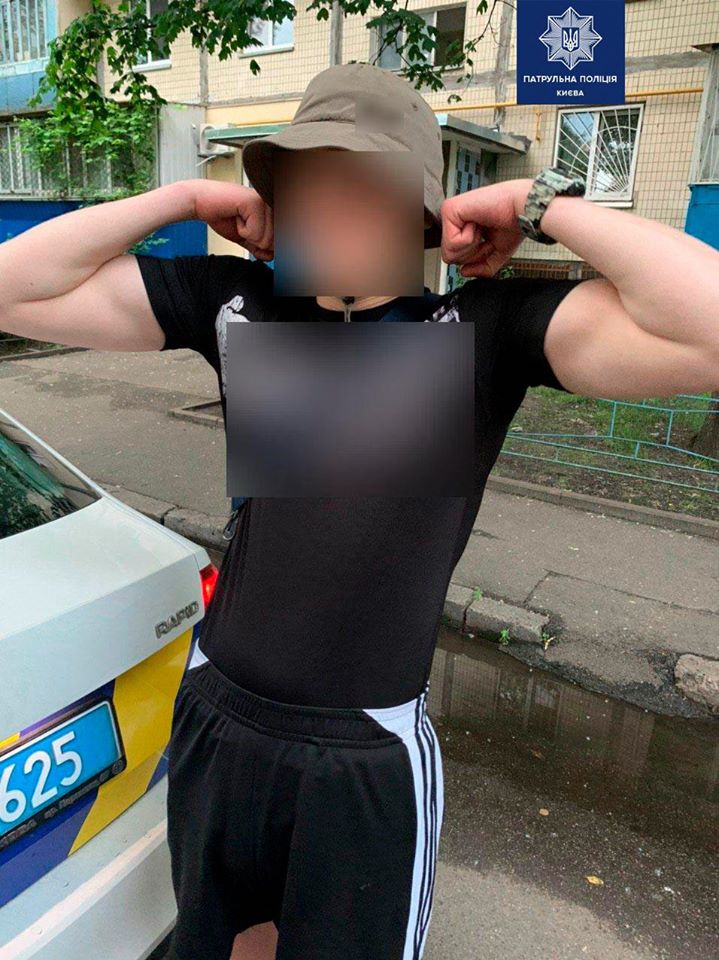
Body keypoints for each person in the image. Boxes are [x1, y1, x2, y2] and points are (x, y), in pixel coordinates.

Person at [0, 61, 717, 960]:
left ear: (419, 210)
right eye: (306, 182)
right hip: (218, 711)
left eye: (363, 183)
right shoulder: (242, 309)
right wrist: (184, 197)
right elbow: (12, 288)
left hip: (362, 751)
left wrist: (538, 204)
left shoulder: (478, 334)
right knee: (219, 942)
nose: (331, 208)